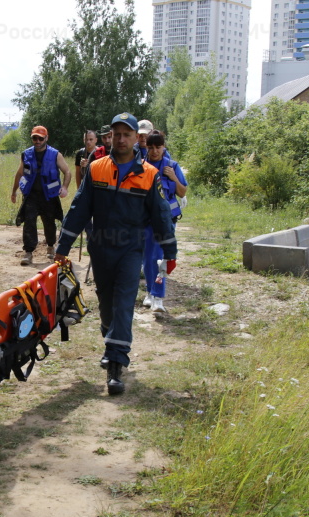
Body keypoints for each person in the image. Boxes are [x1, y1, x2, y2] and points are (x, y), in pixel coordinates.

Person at [53, 113, 177, 395]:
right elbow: (79, 209)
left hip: (131, 249)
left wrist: (169, 252)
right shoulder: (97, 169)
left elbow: (161, 217)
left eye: (127, 134)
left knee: (123, 304)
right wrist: (62, 247)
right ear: (111, 136)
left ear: (136, 139)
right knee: (107, 306)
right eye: (116, 133)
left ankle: (115, 364)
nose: (121, 139)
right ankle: (112, 340)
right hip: (101, 247)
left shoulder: (149, 175)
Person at [11, 125, 72, 266]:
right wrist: (14, 191)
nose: (37, 141)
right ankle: (28, 252)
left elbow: (67, 172)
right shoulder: (26, 154)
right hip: (31, 195)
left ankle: (50, 246)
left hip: (48, 196)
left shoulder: (55, 154)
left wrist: (64, 187)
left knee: (49, 223)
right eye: (35, 138)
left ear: (46, 138)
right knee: (29, 222)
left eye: (40, 138)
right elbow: (19, 173)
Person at [142, 130, 187, 317]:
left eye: (158, 147)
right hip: (145, 220)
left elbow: (182, 192)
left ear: (163, 147)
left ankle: (158, 298)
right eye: (151, 147)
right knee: (148, 258)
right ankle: (150, 292)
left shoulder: (172, 166)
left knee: (160, 258)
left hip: (166, 221)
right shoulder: (140, 166)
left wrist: (174, 177)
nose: (154, 151)